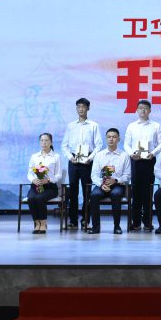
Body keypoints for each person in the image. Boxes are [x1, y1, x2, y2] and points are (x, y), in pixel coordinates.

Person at [61, 98, 103, 230]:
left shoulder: (93, 125)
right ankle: (73, 220)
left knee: (87, 191)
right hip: (73, 160)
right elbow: (64, 145)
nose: (81, 109)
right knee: (73, 191)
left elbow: (99, 145)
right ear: (76, 108)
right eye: (78, 106)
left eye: (83, 106)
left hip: (87, 160)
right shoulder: (70, 126)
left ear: (88, 108)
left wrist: (90, 158)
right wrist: (70, 157)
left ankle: (85, 219)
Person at [124, 100, 161, 232]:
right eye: (140, 108)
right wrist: (131, 154)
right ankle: (135, 222)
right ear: (137, 110)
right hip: (135, 161)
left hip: (149, 160)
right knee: (136, 192)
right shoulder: (131, 126)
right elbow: (126, 144)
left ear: (150, 110)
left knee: (148, 192)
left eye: (146, 108)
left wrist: (153, 153)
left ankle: (147, 222)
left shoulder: (156, 126)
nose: (143, 110)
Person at [88, 128, 130, 234]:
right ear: (106, 139)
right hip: (102, 184)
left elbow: (127, 175)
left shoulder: (124, 155)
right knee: (94, 195)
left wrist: (115, 180)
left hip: (117, 185)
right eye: (109, 137)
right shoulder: (99, 155)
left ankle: (117, 226)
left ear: (119, 139)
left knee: (115, 194)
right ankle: (95, 227)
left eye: (114, 137)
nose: (111, 139)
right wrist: (101, 184)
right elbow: (94, 175)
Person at [26, 132, 64, 235]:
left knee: (39, 198)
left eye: (46, 140)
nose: (44, 143)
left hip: (50, 187)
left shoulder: (56, 156)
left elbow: (59, 174)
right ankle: (36, 223)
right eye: (42, 140)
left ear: (51, 142)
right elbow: (30, 173)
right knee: (31, 198)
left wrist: (48, 180)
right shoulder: (34, 156)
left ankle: (43, 223)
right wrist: (33, 180)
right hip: (36, 185)